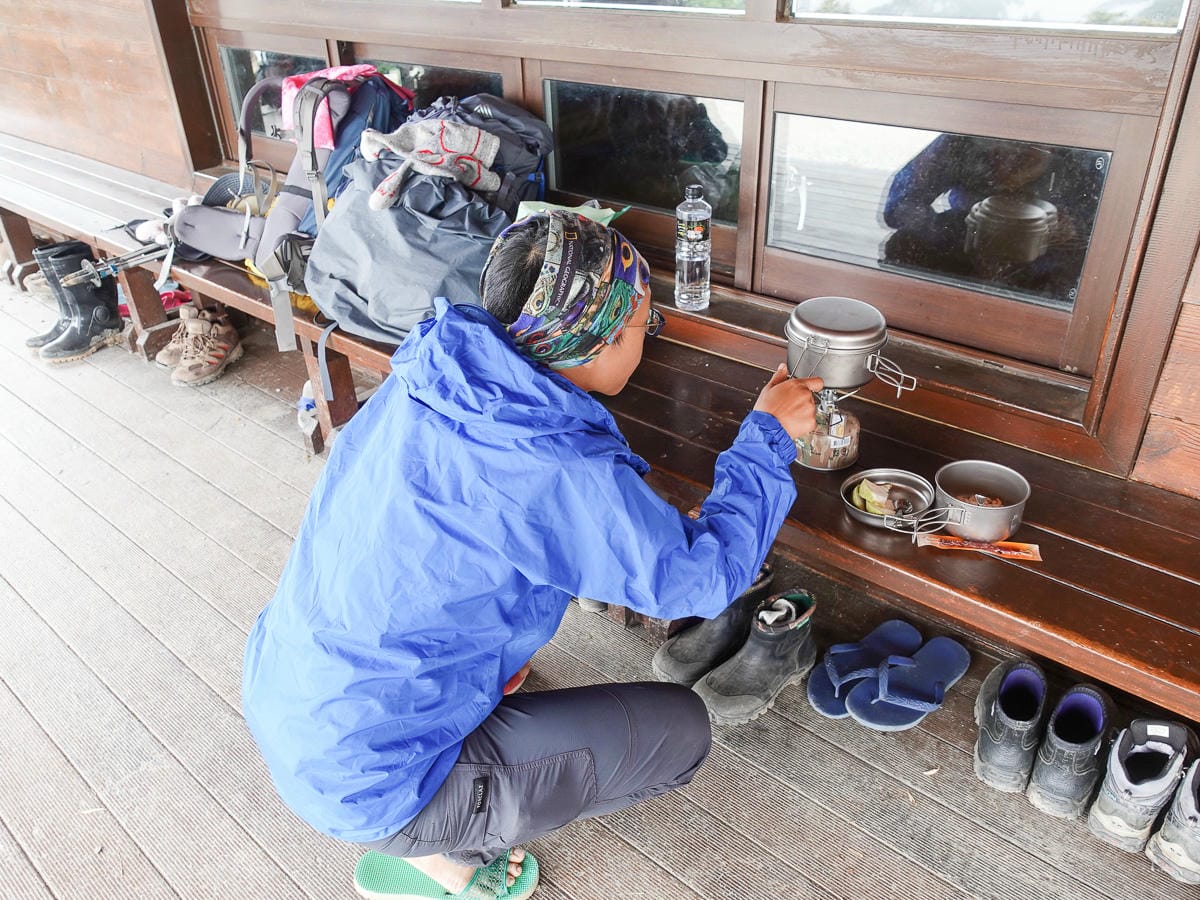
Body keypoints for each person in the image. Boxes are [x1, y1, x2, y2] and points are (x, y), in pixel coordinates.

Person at [242, 209, 821, 899]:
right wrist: (767, 439)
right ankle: (444, 854)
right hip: (373, 780)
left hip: (297, 698)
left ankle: (438, 805)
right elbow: (697, 583)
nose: (650, 334)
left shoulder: (437, 372)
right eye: (644, 323)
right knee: (681, 730)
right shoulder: (553, 463)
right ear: (593, 342)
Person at [881, 134, 1106, 302]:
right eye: (997, 152)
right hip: (961, 253)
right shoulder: (962, 141)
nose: (1008, 163)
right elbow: (899, 207)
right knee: (901, 246)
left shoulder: (1084, 161)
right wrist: (961, 228)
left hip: (1044, 271)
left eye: (1026, 155)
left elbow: (1106, 243)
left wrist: (1071, 231)